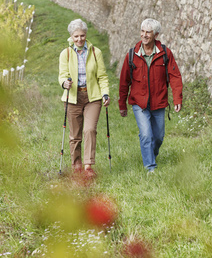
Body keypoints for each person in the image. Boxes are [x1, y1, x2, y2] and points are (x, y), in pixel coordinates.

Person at [119, 18, 183, 172]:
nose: (144, 35)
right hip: (139, 102)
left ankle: (151, 155)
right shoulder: (132, 54)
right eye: (142, 31)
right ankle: (150, 167)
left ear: (156, 35)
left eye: (148, 32)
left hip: (159, 101)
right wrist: (122, 105)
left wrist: (177, 98)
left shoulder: (165, 53)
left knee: (159, 136)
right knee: (146, 135)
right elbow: (124, 82)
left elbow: (175, 76)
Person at [59, 19, 110, 177]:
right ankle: (76, 164)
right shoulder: (66, 53)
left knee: (90, 130)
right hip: (73, 96)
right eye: (76, 36)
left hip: (92, 96)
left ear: (86, 35)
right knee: (75, 134)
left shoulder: (95, 52)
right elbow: (61, 75)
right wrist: (64, 83)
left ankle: (88, 166)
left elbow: (102, 76)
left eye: (82, 36)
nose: (79, 39)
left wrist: (105, 93)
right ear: (71, 36)